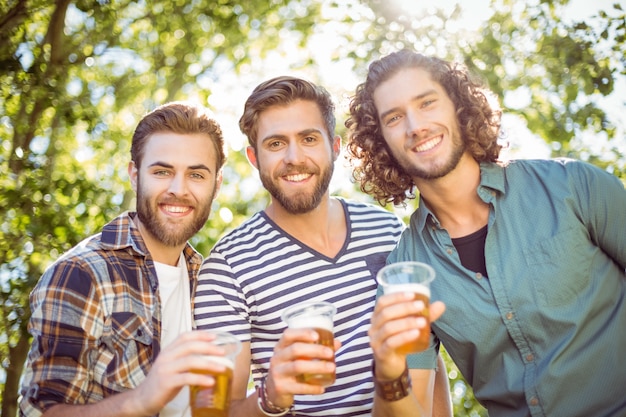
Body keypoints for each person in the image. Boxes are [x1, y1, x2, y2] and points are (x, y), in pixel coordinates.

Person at [345, 49, 626, 417]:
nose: (415, 126)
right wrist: (388, 368)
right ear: (381, 141)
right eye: (394, 117)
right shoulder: (406, 271)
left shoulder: (572, 186)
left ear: (459, 107)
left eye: (427, 103)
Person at [193, 75, 452, 417]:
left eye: (309, 138)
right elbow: (214, 412)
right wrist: (271, 394)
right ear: (254, 158)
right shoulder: (227, 268)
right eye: (275, 144)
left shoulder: (387, 230)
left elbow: (425, 357)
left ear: (334, 147)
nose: (294, 157)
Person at [19, 102, 229, 417]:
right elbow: (38, 413)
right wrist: (140, 400)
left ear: (217, 184)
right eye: (162, 171)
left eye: (196, 175)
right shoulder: (82, 273)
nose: (178, 189)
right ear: (134, 175)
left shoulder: (209, 281)